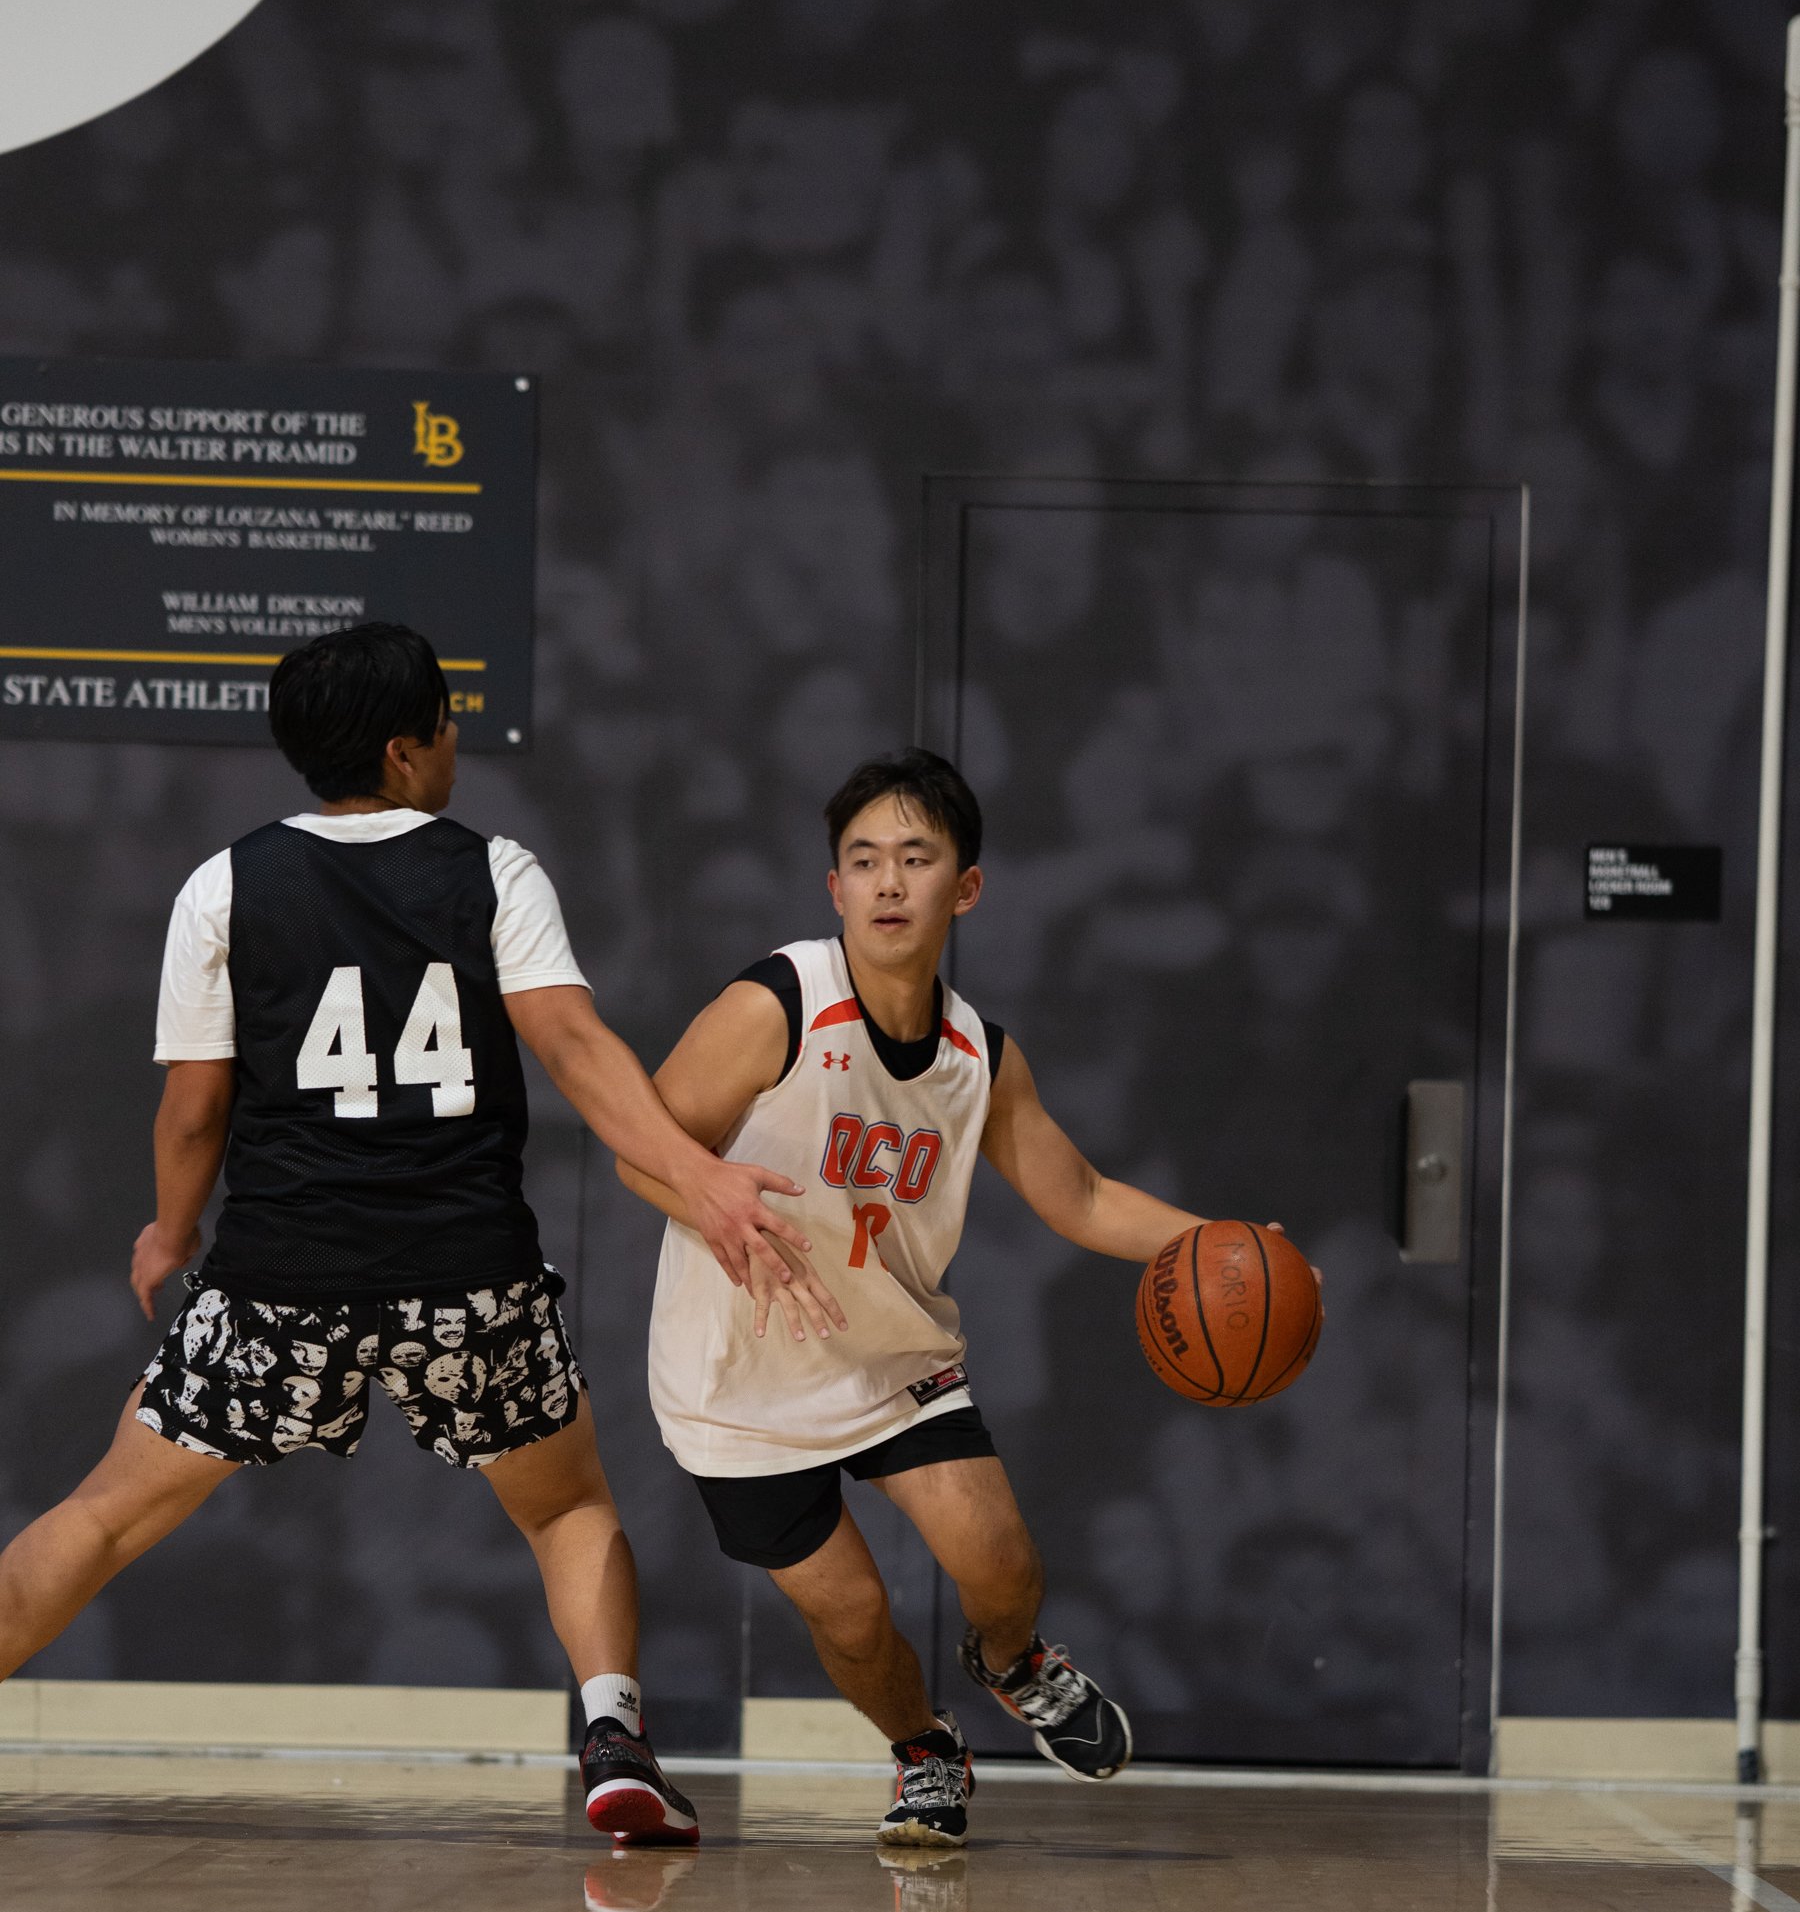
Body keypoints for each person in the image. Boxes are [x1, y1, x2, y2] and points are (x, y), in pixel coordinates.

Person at [0, 622, 819, 1848]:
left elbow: (193, 1111)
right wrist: (699, 1176)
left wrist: (170, 1232)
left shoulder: (225, 884)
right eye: (444, 724)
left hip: (281, 1281)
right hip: (464, 1276)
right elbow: (578, 1050)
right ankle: (615, 1741)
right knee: (566, 1508)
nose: (453, 744)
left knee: (104, 1514)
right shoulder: (496, 872)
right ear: (401, 749)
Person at [618, 748, 1216, 1847]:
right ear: (833, 886)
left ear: (966, 887)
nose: (888, 882)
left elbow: (1082, 1197)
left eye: (915, 857)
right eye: (864, 860)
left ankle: (1013, 1661)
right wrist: (712, 1198)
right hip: (735, 1379)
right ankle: (926, 1752)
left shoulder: (980, 1057)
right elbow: (637, 1144)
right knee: (853, 1618)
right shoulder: (777, 1003)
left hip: (890, 1355)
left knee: (1002, 1562)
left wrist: (1220, 1243)